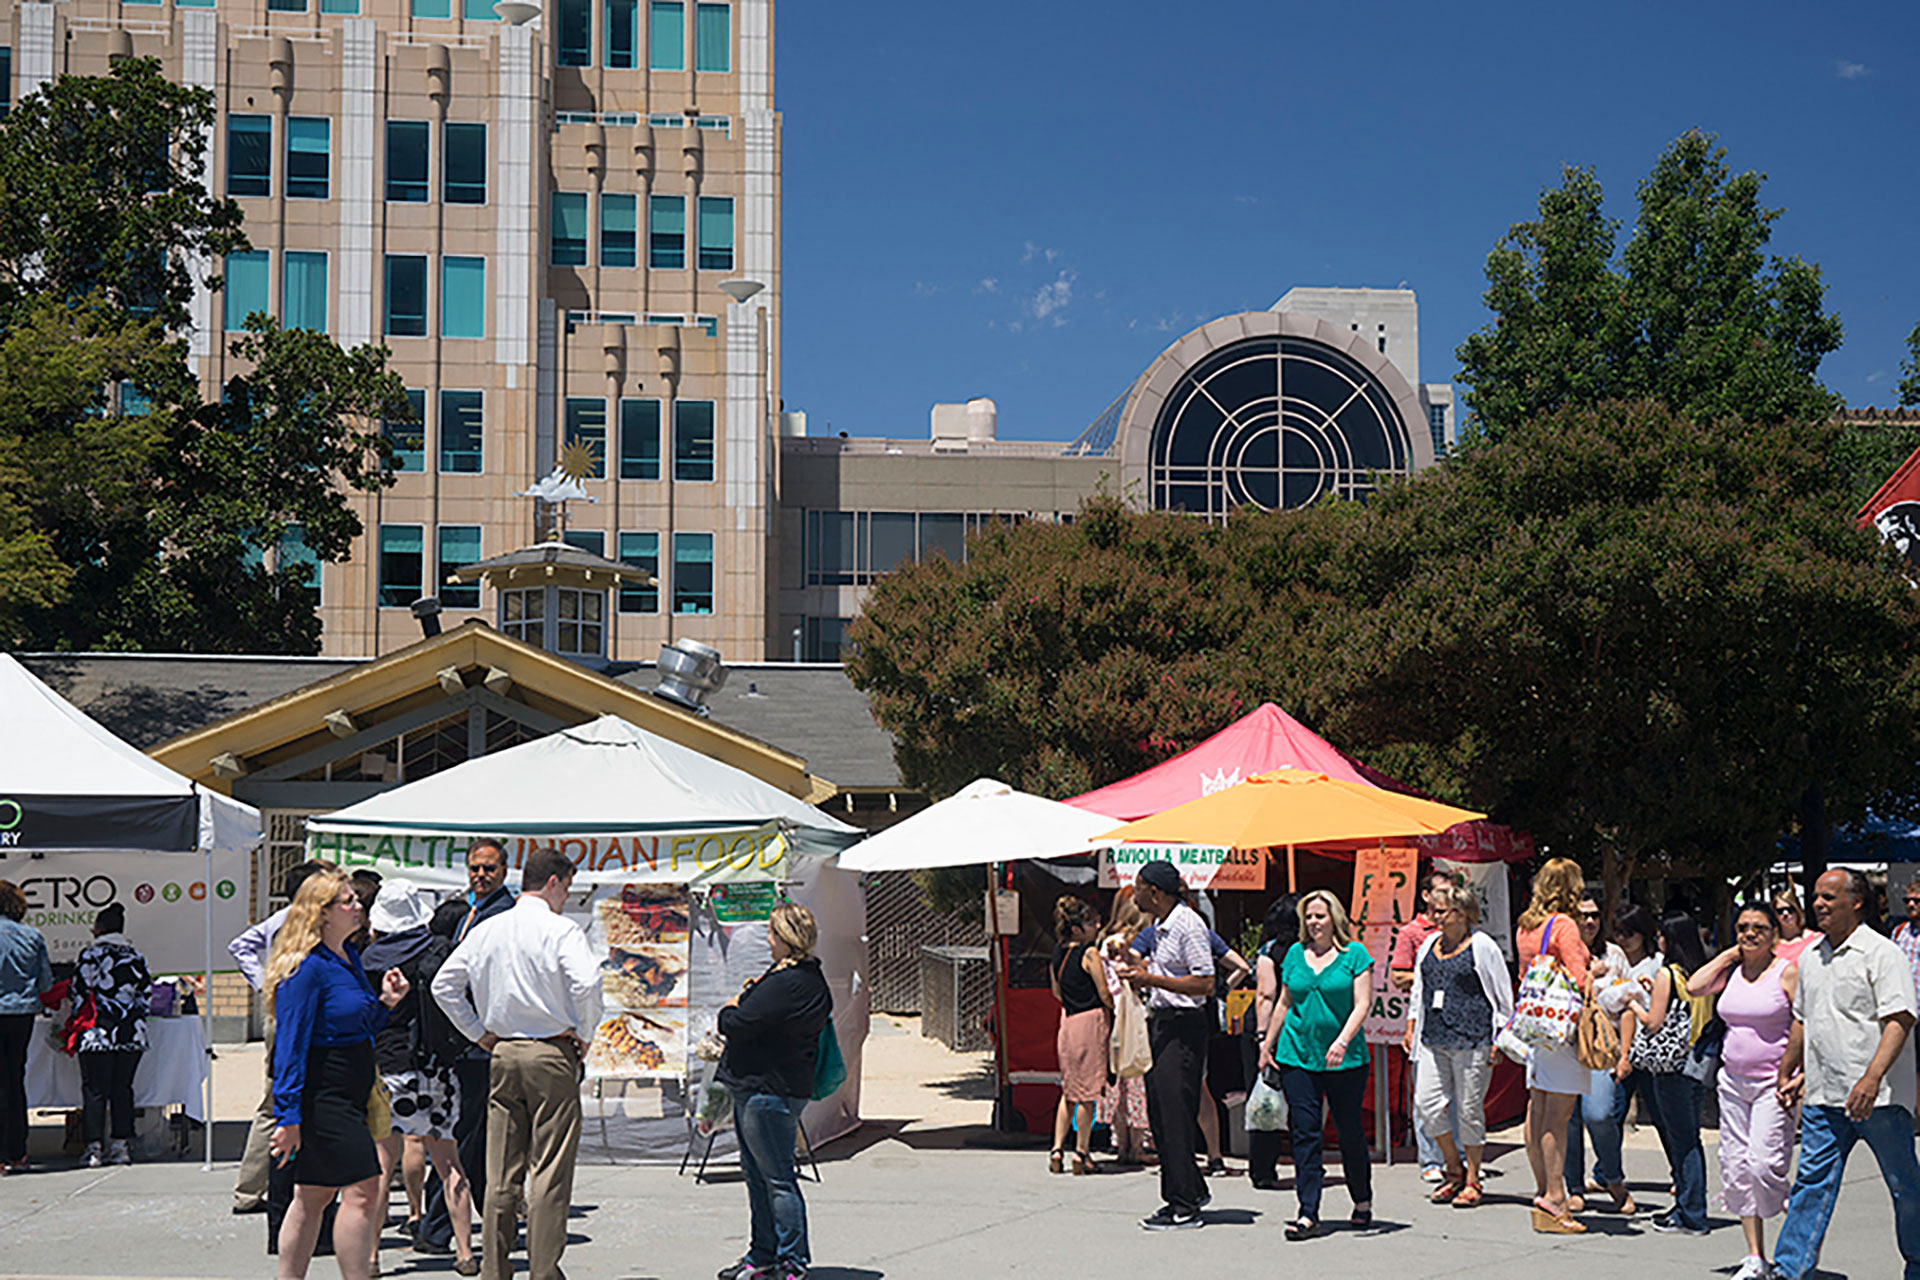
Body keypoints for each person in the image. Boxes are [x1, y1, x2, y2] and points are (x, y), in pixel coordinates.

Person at [431, 845, 598, 1280]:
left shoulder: (489, 928)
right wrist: (585, 1034)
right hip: (551, 1051)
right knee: (549, 1169)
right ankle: (544, 1271)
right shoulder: (562, 930)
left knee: (500, 1170)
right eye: (566, 889)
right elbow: (587, 982)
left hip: (502, 1051)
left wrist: (478, 1032)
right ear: (555, 882)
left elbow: (444, 985)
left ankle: (495, 1268)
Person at [1773, 868, 1920, 1280]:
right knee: (1810, 1186)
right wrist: (1789, 1068)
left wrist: (1872, 1078)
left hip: (1879, 1100)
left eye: (1828, 897)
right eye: (1816, 897)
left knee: (1904, 1187)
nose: (1818, 904)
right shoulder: (1810, 956)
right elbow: (1804, 1019)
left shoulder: (1881, 953)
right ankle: (1791, 1270)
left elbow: (1899, 1019)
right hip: (1824, 1096)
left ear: (1856, 902)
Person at [266, 869, 411, 1280]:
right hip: (324, 1091)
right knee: (363, 1190)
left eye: (356, 899)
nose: (358, 906)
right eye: (347, 901)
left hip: (350, 1088)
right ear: (322, 912)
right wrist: (289, 1116)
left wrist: (386, 1002)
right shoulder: (306, 968)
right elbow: (290, 1045)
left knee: (313, 1195)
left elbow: (360, 1025)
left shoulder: (346, 957)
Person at [362, 881, 478, 1277]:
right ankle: (464, 1251)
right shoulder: (437, 951)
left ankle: (373, 1257)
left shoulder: (367, 958)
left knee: (380, 1165)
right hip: (435, 1069)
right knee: (450, 1164)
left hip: (386, 1067)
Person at [714, 903, 833, 1280]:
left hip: (767, 1091)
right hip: (773, 1088)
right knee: (760, 1174)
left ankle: (790, 1262)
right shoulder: (808, 979)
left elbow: (739, 1022)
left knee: (777, 1178)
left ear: (785, 938)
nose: (768, 941)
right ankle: (764, 1254)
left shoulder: (788, 983)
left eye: (771, 934)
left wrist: (729, 1009)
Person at [414, 839, 517, 1256]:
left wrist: (479, 1033)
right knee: (455, 1136)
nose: (480, 874)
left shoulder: (502, 915)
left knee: (467, 1138)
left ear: (504, 871)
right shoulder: (469, 910)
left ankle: (450, 1226)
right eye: (475, 867)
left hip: (484, 1042)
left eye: (489, 868)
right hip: (461, 1042)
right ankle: (447, 1225)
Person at [1689, 901, 1799, 1280]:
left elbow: (1804, 1024)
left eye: (1759, 928)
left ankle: (1794, 1213)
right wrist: (1729, 954)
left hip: (1773, 1084)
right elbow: (1694, 986)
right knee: (1736, 1167)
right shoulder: (1732, 972)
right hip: (1732, 1081)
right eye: (1743, 927)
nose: (1750, 934)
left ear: (1775, 934)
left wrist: (1794, 1073)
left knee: (1763, 1164)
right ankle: (1755, 1256)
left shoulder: (1786, 973)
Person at [1259, 888, 1374, 1241]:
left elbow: (1362, 1003)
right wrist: (1267, 1043)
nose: (1313, 922)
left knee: (1348, 1131)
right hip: (1298, 1054)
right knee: (1305, 1132)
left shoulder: (1355, 954)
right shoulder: (1294, 954)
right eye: (1308, 916)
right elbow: (1283, 1001)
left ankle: (1362, 1199)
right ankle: (1308, 1212)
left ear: (1334, 918)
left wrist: (1342, 1040)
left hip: (1345, 1060)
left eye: (1320, 915)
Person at [1113, 860, 1214, 1231]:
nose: (1134, 893)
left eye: (1138, 887)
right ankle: (1183, 1191)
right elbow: (1157, 971)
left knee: (1174, 1115)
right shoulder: (1159, 927)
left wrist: (1150, 977)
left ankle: (1185, 1206)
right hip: (1162, 1025)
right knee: (1160, 1113)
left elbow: (1205, 983)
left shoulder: (1188, 925)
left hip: (1184, 1028)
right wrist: (1136, 972)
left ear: (1154, 891)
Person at [231, 859, 337, 1215]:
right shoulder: (291, 918)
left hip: (293, 1013)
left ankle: (261, 1188)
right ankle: (251, 1190)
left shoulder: (299, 919)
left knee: (282, 1100)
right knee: (276, 1100)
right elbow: (240, 945)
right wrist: (266, 985)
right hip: (288, 1016)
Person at [1403, 883, 1511, 1209]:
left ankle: (1472, 1177)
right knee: (1428, 1105)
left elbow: (1502, 994)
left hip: (1473, 1040)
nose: (1435, 916)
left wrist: (1500, 1038)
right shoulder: (1428, 947)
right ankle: (1453, 1166)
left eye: (1442, 910)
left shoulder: (1482, 946)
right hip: (1433, 1039)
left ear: (1462, 913)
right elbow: (1420, 991)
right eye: (1434, 910)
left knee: (1468, 1111)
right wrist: (1410, 1026)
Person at [1130, 909, 1251, 1175]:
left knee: (1174, 1094)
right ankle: (1214, 1154)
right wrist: (1221, 992)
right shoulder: (1203, 934)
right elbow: (1242, 966)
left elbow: (1134, 962)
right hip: (1202, 1021)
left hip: (1169, 1020)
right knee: (1200, 1088)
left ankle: (1177, 1159)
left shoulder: (1152, 934)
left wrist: (1149, 978)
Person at [1514, 856, 1592, 1234]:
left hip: (1537, 1028)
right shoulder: (1564, 926)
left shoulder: (1526, 927)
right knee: (1558, 1120)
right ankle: (1556, 1197)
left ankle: (1544, 1190)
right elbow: (1580, 979)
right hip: (1562, 1032)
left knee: (1539, 1112)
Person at [1626, 910, 1713, 1236]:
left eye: (1662, 934)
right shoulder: (1700, 974)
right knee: (1690, 1137)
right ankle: (1689, 1206)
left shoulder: (1668, 974)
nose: (1658, 940)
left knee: (1681, 1141)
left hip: (1669, 1067)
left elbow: (1653, 1022)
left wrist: (1634, 1003)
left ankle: (1691, 1213)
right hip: (1695, 1063)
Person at [1392, 869, 1459, 1183]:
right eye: (1442, 891)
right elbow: (1398, 975)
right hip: (1426, 1021)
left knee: (1458, 1096)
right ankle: (1430, 1158)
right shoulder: (1411, 933)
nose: (1448, 896)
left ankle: (1457, 1157)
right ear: (1426, 896)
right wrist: (1430, 975)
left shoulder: (1462, 929)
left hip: (1458, 1022)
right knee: (1427, 1094)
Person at [72, 903, 152, 1168]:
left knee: (95, 1090)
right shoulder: (137, 956)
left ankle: (94, 1147)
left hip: (98, 1034)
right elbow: (146, 997)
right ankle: (120, 1146)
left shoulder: (90, 955)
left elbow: (79, 991)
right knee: (123, 1089)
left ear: (99, 928)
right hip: (131, 1034)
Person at [1048, 897, 1113, 1176]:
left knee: (1069, 1090)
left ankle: (1056, 1149)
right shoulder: (1090, 954)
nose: (1097, 926)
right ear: (1076, 928)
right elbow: (1104, 992)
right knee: (1088, 1093)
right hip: (1091, 1021)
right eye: (1090, 922)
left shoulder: (1057, 953)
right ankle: (1082, 1153)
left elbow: (1055, 992)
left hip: (1068, 1020)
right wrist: (1117, 1010)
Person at [0, 879, 53, 1176]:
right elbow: (45, 982)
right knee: (15, 1078)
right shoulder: (32, 936)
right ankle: (18, 1151)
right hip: (22, 1014)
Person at [1247, 893, 1299, 1190]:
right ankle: (1302, 1155)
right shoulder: (1309, 951)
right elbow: (1267, 996)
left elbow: (1265, 995)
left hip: (1268, 1029)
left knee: (1266, 1100)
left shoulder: (1270, 950)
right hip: (1292, 1027)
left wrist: (1262, 1037)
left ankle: (1263, 1169)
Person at [1096, 890, 1151, 1167]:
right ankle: (1137, 1145)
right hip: (1133, 1017)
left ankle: (1120, 1143)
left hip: (1112, 1018)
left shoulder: (1104, 943)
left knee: (1117, 1081)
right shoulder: (1130, 946)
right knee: (1137, 1078)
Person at [1895, 879, 1920, 1033]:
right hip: (1907, 1012)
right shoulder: (1899, 931)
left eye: (1917, 901)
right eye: (1907, 900)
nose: (1911, 905)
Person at [1773, 888, 1818, 964]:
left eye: (1790, 909)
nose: (1785, 913)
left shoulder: (1816, 939)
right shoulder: (1770, 944)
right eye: (1780, 911)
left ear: (1797, 910)